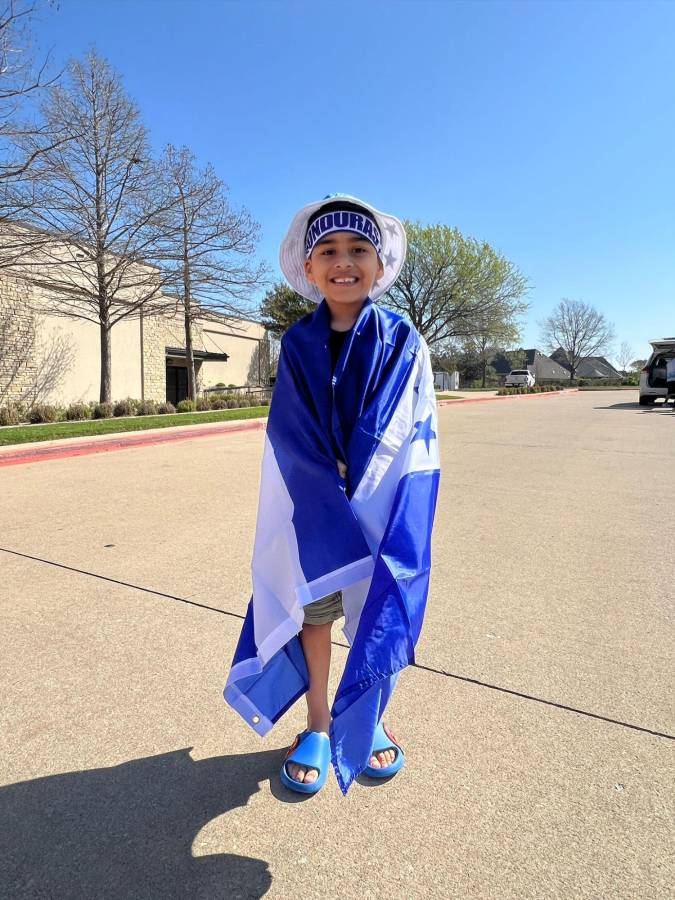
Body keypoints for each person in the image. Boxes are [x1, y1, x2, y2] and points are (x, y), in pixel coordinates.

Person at [224, 194, 440, 795]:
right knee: (314, 615)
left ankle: (369, 718)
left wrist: (364, 475)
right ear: (309, 268)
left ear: (379, 263)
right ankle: (319, 721)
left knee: (378, 611)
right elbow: (290, 428)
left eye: (358, 249)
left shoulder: (403, 339)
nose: (344, 261)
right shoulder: (297, 343)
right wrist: (327, 479)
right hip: (316, 511)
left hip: (381, 505)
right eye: (329, 251)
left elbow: (407, 425)